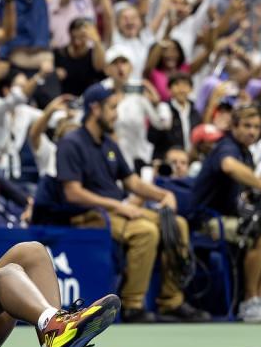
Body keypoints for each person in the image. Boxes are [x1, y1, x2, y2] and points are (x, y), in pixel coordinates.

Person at [48, 82, 209, 323]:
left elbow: (132, 181)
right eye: (112, 108)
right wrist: (117, 206)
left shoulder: (109, 144)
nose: (116, 114)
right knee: (145, 232)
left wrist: (162, 195)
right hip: (89, 214)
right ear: (95, 108)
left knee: (178, 225)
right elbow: (72, 192)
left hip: (116, 211)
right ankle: (133, 305)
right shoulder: (72, 143)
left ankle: (171, 302)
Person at [191, 105, 261, 322]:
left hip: (234, 217)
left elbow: (252, 188)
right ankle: (249, 301)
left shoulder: (246, 152)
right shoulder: (226, 146)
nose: (252, 132)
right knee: (260, 234)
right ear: (234, 126)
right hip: (208, 220)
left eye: (256, 127)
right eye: (247, 126)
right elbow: (229, 167)